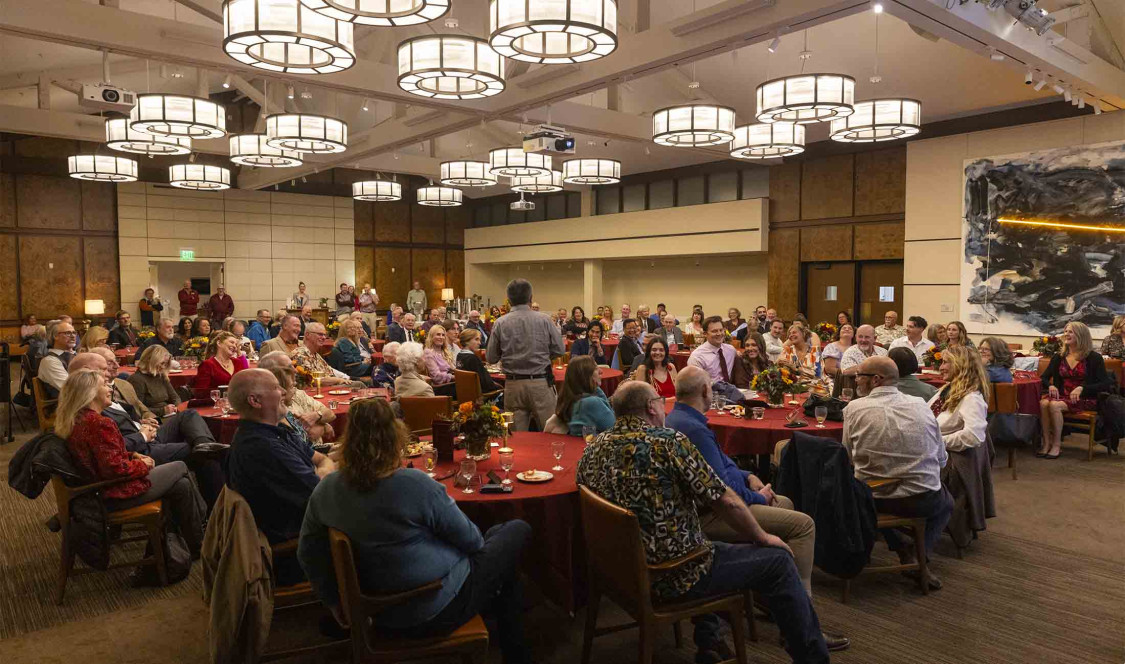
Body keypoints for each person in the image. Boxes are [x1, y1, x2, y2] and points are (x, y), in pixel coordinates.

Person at [578, 382, 829, 663]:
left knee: (704, 540)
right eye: (660, 401)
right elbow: (725, 501)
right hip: (671, 575)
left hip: (620, 573)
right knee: (778, 560)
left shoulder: (592, 449)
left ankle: (711, 643)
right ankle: (813, 657)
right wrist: (762, 536)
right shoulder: (668, 443)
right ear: (651, 407)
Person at [297, 398, 534, 663]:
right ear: (396, 437)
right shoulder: (416, 485)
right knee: (515, 530)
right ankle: (516, 650)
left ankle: (513, 642)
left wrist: (333, 600)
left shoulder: (326, 489)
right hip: (434, 607)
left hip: (373, 613)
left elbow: (308, 553)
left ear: (348, 439)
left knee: (500, 556)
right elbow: (473, 542)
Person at [666, 367, 848, 651]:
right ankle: (801, 619)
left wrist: (749, 476)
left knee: (785, 503)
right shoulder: (693, 429)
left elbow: (722, 465)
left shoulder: (682, 419)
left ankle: (780, 595)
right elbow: (722, 490)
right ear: (704, 391)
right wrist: (758, 497)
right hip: (712, 515)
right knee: (804, 525)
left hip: (709, 506)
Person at [56, 369, 204, 556]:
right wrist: (144, 464)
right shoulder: (99, 423)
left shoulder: (78, 418)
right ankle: (201, 529)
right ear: (90, 393)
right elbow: (115, 470)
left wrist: (133, 455)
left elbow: (103, 455)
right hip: (108, 494)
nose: (110, 388)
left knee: (181, 485)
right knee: (181, 466)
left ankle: (194, 543)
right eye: (104, 385)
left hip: (92, 491)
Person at [844, 356, 952, 591]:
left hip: (875, 499)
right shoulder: (921, 405)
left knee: (866, 495)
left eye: (859, 376)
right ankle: (919, 555)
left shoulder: (853, 409)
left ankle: (906, 550)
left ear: (875, 380)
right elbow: (941, 457)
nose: (855, 380)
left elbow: (848, 458)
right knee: (946, 502)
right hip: (922, 498)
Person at [226, 369, 336, 584]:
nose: (284, 392)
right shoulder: (262, 448)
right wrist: (324, 470)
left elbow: (321, 460)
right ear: (255, 401)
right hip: (300, 549)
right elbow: (323, 494)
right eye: (276, 387)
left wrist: (323, 469)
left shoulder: (276, 432)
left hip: (309, 522)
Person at [486, 279, 565, 432]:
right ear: (531, 298)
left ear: (509, 300)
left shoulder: (500, 323)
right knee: (551, 434)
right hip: (540, 383)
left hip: (513, 385)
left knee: (517, 438)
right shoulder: (544, 319)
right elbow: (560, 349)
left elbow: (491, 358)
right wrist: (544, 357)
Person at [1038, 321, 1116, 459]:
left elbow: (1105, 384)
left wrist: (1082, 388)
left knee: (1054, 405)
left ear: (1080, 335)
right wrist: (1050, 385)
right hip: (1063, 395)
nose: (1066, 334)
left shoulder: (1093, 358)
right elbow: (1043, 377)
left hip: (1085, 398)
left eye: (1071, 332)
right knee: (1043, 403)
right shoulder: (1059, 357)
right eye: (1065, 331)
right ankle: (1046, 443)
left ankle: (1056, 445)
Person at [259, 351, 336, 444]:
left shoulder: (297, 393)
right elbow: (302, 438)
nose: (296, 371)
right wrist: (323, 426)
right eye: (288, 368)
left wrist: (317, 416)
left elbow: (331, 414)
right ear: (273, 374)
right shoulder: (270, 405)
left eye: (294, 366)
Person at [928, 345, 989, 453]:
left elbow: (973, 436)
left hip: (945, 454)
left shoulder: (972, 399)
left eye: (945, 362)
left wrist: (937, 442)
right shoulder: (947, 389)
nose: (941, 368)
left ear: (960, 365)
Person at [555, 356, 615, 437]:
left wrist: (595, 388)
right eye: (596, 369)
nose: (601, 371)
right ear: (586, 376)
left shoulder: (572, 399)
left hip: (580, 441)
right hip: (589, 443)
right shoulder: (591, 403)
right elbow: (615, 427)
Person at [294, 323, 361, 389]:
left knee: (360, 383)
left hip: (327, 386)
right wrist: (338, 380)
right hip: (314, 391)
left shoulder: (315, 354)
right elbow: (315, 380)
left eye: (324, 335)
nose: (324, 337)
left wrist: (348, 378)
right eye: (320, 334)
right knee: (358, 385)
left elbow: (330, 370)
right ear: (308, 335)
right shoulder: (300, 355)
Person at [192, 331, 249, 399]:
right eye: (231, 342)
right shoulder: (207, 364)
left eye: (236, 344)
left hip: (236, 403)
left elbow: (245, 385)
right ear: (219, 343)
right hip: (214, 403)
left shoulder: (237, 362)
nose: (234, 346)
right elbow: (200, 393)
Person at [128, 345, 182, 416]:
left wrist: (176, 407)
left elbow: (175, 398)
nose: (163, 367)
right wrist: (162, 411)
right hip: (155, 418)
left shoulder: (160, 375)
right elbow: (137, 409)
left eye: (166, 364)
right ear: (150, 360)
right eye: (162, 363)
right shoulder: (136, 379)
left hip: (170, 414)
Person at [687, 316, 739, 385]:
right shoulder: (697, 357)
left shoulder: (731, 350)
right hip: (708, 390)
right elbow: (696, 384)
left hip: (731, 389)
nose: (719, 334)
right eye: (714, 331)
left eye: (721, 330)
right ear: (705, 334)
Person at [36, 319, 78, 396]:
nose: (73, 336)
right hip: (69, 402)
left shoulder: (78, 355)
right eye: (68, 333)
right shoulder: (49, 361)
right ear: (55, 336)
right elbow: (70, 389)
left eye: (74, 333)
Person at [456, 329, 500, 394]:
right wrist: (498, 387)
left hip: (465, 392)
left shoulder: (459, 355)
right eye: (476, 339)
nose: (479, 343)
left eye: (479, 340)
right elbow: (486, 382)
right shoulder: (473, 358)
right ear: (466, 341)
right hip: (481, 394)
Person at [423, 324, 457, 397]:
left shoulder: (444, 351)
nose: (441, 337)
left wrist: (460, 374)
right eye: (438, 334)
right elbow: (436, 377)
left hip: (450, 383)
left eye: (443, 335)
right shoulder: (428, 353)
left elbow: (454, 368)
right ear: (431, 336)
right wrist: (453, 377)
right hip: (440, 387)